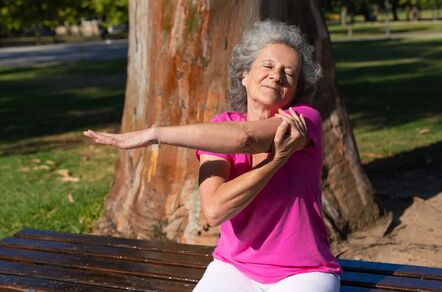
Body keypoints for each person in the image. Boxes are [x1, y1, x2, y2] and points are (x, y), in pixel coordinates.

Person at [84, 20, 341, 292]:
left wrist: (156, 134)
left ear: (295, 90)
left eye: (288, 73)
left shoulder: (303, 120)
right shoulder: (220, 126)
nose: (276, 76)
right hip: (234, 267)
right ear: (244, 74)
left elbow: (246, 139)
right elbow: (215, 210)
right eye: (267, 65)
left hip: (303, 273)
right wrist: (275, 161)